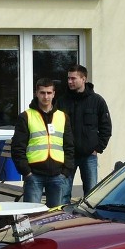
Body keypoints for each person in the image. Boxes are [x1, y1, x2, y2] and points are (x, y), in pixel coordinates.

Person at [10, 78, 74, 208]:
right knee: (32, 217)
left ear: (54, 94)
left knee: (55, 217)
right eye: (42, 93)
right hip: (34, 175)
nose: (46, 96)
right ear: (36, 93)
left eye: (49, 93)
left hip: (58, 174)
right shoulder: (26, 116)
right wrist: (26, 172)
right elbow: (17, 147)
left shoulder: (63, 117)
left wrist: (66, 171)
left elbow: (69, 146)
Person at [57, 64, 112, 203]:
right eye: (68, 78)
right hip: (67, 155)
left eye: (73, 78)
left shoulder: (97, 101)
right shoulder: (62, 101)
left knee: (91, 194)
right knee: (63, 194)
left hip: (89, 155)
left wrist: (98, 148)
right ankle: (64, 221)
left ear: (84, 79)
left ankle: (88, 223)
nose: (69, 81)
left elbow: (106, 127)